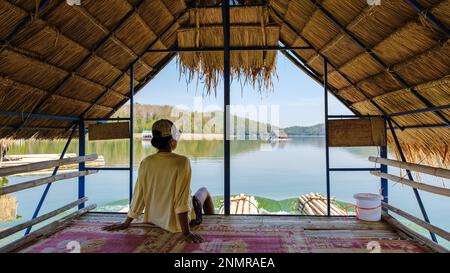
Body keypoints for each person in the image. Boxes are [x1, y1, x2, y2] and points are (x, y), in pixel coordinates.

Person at [103, 119, 215, 243]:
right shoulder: (182, 162)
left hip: (154, 220)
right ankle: (214, 224)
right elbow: (181, 200)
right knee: (204, 191)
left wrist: (126, 222)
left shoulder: (146, 162)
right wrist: (186, 232)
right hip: (178, 224)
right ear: (172, 140)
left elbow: (138, 195)